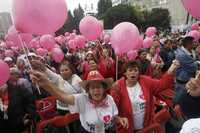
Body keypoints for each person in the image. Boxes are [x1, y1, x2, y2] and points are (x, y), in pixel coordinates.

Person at [30, 70, 129, 133]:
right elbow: (63, 96)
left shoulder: (109, 99)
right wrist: (46, 84)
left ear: (104, 88)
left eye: (99, 87)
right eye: (92, 87)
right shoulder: (82, 99)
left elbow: (114, 117)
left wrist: (120, 119)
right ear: (88, 90)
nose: (96, 90)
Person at [110, 60, 180, 133]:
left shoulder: (146, 81)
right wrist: (118, 118)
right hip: (127, 128)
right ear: (125, 73)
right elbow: (112, 110)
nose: (133, 72)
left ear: (139, 72)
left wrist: (172, 68)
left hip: (146, 127)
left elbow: (162, 84)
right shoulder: (117, 87)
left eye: (135, 70)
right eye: (130, 70)